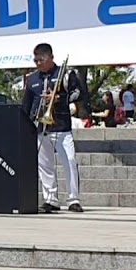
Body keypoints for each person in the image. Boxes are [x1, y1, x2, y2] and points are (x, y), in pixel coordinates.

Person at [21, 44, 84, 213]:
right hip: (41, 126)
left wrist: (59, 97)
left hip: (61, 126)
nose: (38, 64)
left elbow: (79, 93)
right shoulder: (32, 79)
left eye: (41, 60)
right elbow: (26, 104)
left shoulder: (65, 73)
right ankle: (50, 199)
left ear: (50, 57)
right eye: (35, 60)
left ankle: (73, 199)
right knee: (44, 165)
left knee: (69, 161)